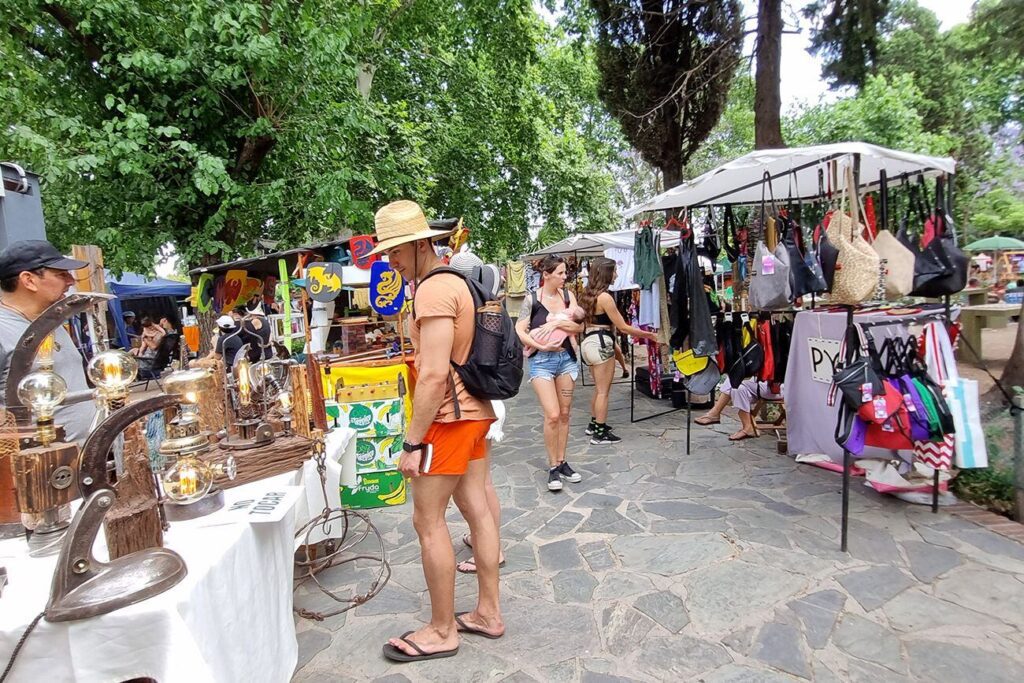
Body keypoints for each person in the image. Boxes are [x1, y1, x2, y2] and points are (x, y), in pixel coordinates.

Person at [371, 200, 503, 662]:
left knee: (427, 521)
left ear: (418, 243)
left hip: (447, 420)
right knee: (479, 511)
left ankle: (443, 629)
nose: (390, 262)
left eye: (394, 252)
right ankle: (488, 612)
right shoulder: (457, 283)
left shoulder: (432, 290)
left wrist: (412, 442)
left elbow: (431, 375)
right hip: (475, 412)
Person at [0, 240, 92, 444]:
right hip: (37, 467)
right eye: (61, 274)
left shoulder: (53, 322)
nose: (71, 281)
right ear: (29, 280)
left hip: (89, 460)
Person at [515, 255, 585, 492]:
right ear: (546, 275)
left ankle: (562, 461)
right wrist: (541, 346)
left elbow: (579, 326)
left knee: (565, 413)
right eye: (561, 273)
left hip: (566, 359)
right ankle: (552, 466)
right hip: (542, 361)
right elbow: (519, 330)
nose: (565, 277)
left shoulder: (568, 297)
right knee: (552, 414)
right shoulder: (531, 300)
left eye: (566, 273)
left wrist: (556, 324)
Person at [578, 257, 658, 445]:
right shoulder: (605, 297)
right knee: (604, 391)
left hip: (588, 343)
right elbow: (623, 327)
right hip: (602, 343)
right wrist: (650, 335)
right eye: (614, 271)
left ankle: (595, 424)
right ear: (606, 273)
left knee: (598, 390)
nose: (617, 274)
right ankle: (600, 434)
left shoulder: (586, 295)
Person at [696, 377, 783, 441]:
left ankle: (715, 413)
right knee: (737, 389)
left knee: (733, 378)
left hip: (776, 389)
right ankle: (748, 428)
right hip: (765, 387)